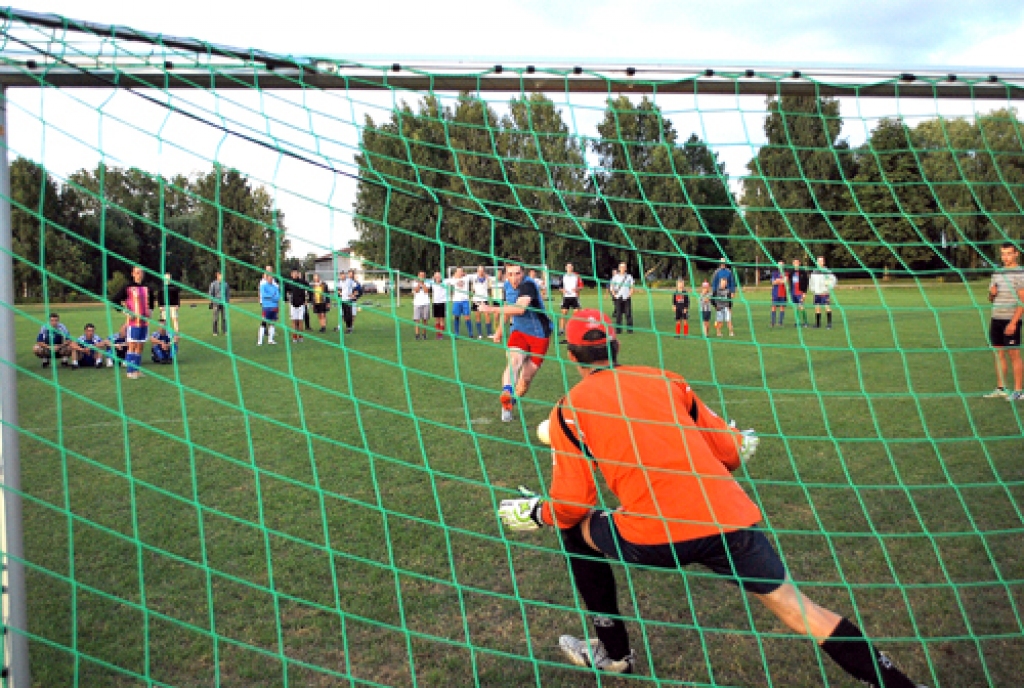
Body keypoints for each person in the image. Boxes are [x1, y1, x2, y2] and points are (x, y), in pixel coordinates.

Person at [497, 310, 929, 688]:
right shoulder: (668, 380)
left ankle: (614, 654)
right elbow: (729, 453)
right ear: (617, 344)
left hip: (657, 532)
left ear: (570, 357)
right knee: (800, 609)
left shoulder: (567, 409)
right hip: (729, 519)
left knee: (574, 529)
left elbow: (573, 503)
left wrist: (538, 512)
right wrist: (740, 439)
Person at [478, 261, 553, 422]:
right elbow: (508, 307)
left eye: (517, 273)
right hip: (518, 332)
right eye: (510, 274)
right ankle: (506, 399)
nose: (514, 278)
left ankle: (512, 401)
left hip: (539, 335)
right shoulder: (506, 286)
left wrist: (491, 309)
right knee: (514, 362)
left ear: (523, 273)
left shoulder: (528, 286)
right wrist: (499, 331)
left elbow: (519, 309)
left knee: (525, 380)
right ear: (505, 274)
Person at [984, 242, 1024, 400]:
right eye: (1003, 254)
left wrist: (1013, 322)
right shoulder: (997, 273)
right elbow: (991, 299)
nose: (1005, 257)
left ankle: (1019, 391)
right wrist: (992, 294)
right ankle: (1001, 388)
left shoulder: (1020, 273)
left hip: (1010, 320)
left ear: (1016, 254)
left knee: (1014, 354)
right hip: (996, 318)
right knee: (998, 353)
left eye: (1008, 253)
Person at [112, 265, 152, 379]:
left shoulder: (146, 287)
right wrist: (126, 312)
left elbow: (150, 302)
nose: (140, 274)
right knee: (132, 345)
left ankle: (137, 370)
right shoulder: (128, 287)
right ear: (133, 274)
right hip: (134, 323)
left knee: (140, 346)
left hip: (144, 322)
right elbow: (115, 300)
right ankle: (130, 371)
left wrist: (150, 312)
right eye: (137, 272)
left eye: (141, 272)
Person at [808, 256, 837, 329]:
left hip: (824, 293)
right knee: (817, 308)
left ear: (823, 262)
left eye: (821, 261)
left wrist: (828, 287)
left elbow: (833, 280)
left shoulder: (827, 271)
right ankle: (818, 324)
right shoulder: (814, 272)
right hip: (817, 293)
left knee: (827, 307)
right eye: (818, 261)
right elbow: (811, 282)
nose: (820, 262)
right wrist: (813, 290)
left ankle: (829, 324)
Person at [559, 263, 583, 341]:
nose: (569, 268)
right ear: (566, 268)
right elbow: (560, 287)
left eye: (571, 266)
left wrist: (577, 289)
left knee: (576, 315)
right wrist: (563, 290)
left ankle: (576, 330)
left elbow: (581, 286)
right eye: (568, 267)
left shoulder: (577, 276)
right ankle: (561, 330)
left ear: (572, 268)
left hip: (575, 297)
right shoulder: (563, 276)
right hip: (566, 297)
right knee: (563, 314)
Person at [609, 262, 634, 335]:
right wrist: (614, 294)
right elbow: (612, 286)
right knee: (618, 314)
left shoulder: (629, 277)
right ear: (619, 268)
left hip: (626, 297)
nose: (622, 268)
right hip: (618, 297)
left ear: (626, 268)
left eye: (624, 267)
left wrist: (629, 295)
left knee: (628, 314)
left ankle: (630, 330)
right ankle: (618, 330)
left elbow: (632, 286)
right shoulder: (615, 277)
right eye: (621, 267)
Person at [447, 267, 473, 337]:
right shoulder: (453, 279)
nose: (460, 273)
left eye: (461, 271)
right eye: (458, 271)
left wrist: (465, 274)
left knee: (467, 316)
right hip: (456, 301)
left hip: (465, 300)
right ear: (456, 272)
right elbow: (448, 282)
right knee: (456, 316)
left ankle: (470, 333)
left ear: (463, 272)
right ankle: (456, 333)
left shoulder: (466, 278)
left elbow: (472, 276)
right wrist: (454, 276)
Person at [257, 267, 280, 346]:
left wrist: (271, 297)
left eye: (271, 277)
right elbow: (264, 295)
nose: (270, 278)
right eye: (269, 277)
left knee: (272, 323)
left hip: (274, 307)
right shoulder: (263, 285)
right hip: (266, 307)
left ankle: (270, 340)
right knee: (263, 322)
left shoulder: (275, 286)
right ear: (266, 278)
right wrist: (271, 296)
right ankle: (260, 341)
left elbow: (277, 297)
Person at [287, 268, 310, 343]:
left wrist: (308, 300)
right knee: (293, 321)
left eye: (296, 273)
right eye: (293, 273)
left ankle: (300, 336)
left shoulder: (302, 282)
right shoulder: (289, 282)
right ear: (291, 274)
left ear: (298, 274)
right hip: (293, 305)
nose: (295, 275)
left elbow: (309, 289)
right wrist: (285, 298)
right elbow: (284, 289)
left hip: (301, 305)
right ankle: (294, 337)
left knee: (300, 321)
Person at [471, 266, 493, 339]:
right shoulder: (474, 277)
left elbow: (491, 284)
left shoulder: (487, 278)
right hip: (476, 299)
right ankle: (479, 334)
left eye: (482, 270)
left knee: (487, 316)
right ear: (477, 271)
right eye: (479, 270)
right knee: (478, 316)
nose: (480, 272)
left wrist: (488, 278)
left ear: (484, 271)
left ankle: (489, 333)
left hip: (484, 299)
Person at [786, 259, 809, 328]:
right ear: (793, 264)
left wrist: (804, 293)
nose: (796, 263)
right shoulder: (791, 272)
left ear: (799, 263)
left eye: (797, 262)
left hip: (800, 292)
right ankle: (797, 322)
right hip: (793, 292)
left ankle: (805, 322)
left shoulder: (803, 272)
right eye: (794, 262)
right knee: (796, 307)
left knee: (801, 307)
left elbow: (806, 283)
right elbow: (788, 280)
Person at [336, 270, 359, 335]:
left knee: (349, 315)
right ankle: (348, 327)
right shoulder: (339, 282)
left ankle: (350, 328)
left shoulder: (349, 281)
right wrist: (339, 293)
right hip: (342, 300)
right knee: (345, 315)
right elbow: (339, 289)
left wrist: (353, 295)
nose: (341, 276)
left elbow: (356, 288)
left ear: (344, 275)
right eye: (340, 275)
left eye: (342, 275)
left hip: (349, 300)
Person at [411, 271, 432, 340]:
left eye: (423, 275)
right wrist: (418, 284)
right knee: (417, 320)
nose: (422, 276)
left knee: (425, 319)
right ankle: (417, 335)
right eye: (420, 275)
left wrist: (422, 284)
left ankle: (424, 334)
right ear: (418, 276)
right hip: (417, 303)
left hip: (426, 303)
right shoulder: (414, 282)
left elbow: (426, 291)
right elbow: (416, 290)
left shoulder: (428, 282)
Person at [209, 271, 230, 336]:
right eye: (221, 275)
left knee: (224, 318)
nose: (222, 277)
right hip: (216, 303)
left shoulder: (225, 284)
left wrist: (227, 302)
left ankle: (225, 331)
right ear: (218, 276)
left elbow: (228, 294)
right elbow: (211, 294)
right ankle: (215, 331)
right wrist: (212, 301)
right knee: (215, 318)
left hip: (224, 303)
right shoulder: (213, 284)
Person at [430, 271, 448, 339]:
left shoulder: (444, 283)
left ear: (441, 277)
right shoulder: (432, 283)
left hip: (442, 303)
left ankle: (441, 335)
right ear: (434, 277)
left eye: (439, 276)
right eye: (436, 276)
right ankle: (437, 334)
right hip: (435, 303)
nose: (437, 278)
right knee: (436, 319)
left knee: (442, 319)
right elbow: (423, 280)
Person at [770, 261, 787, 328]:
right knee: (773, 307)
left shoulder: (785, 273)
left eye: (782, 265)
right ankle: (772, 322)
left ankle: (780, 322)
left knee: (782, 307)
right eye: (779, 264)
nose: (780, 266)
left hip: (783, 293)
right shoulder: (774, 273)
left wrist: (778, 280)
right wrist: (780, 281)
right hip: (775, 293)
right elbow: (773, 282)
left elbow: (785, 282)